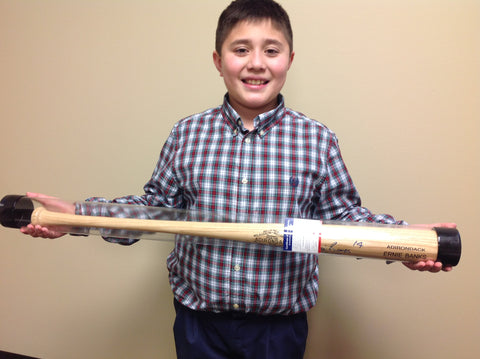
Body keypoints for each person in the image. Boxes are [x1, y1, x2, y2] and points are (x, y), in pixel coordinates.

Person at [21, 0, 455, 358]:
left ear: (289, 59)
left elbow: (344, 221)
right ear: (218, 60)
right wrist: (75, 216)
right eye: (241, 49)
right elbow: (152, 210)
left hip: (278, 332)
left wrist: (405, 242)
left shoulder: (316, 140)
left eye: (271, 50)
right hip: (199, 325)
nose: (256, 63)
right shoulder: (187, 133)